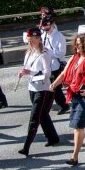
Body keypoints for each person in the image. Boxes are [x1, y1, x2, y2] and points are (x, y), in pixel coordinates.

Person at [51, 33, 85, 165]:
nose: (76, 46)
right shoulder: (74, 58)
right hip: (75, 94)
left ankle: (74, 157)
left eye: (79, 44)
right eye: (75, 44)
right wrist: (54, 84)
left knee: (78, 125)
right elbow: (64, 73)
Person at [17, 27, 59, 156]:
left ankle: (26, 146)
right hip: (32, 87)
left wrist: (31, 72)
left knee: (34, 117)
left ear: (39, 39)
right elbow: (27, 67)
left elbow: (47, 74)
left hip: (43, 88)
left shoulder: (45, 54)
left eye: (33, 41)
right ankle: (53, 137)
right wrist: (23, 72)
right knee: (43, 114)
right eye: (29, 41)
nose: (30, 43)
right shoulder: (28, 53)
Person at [39, 8, 68, 114]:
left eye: (47, 27)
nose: (46, 29)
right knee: (49, 86)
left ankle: (63, 105)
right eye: (44, 27)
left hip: (56, 65)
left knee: (55, 87)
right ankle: (60, 104)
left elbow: (62, 52)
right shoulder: (44, 36)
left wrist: (48, 52)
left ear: (52, 24)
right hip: (46, 65)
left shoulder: (59, 36)